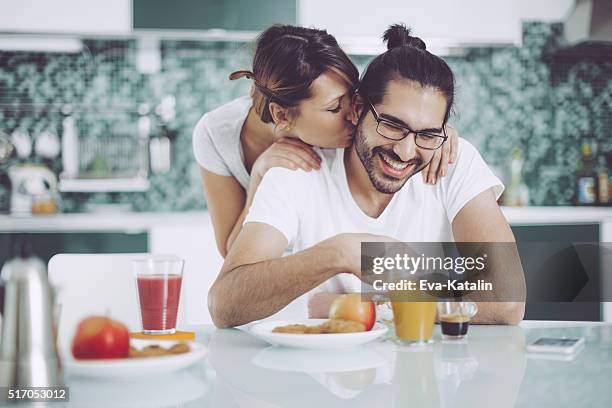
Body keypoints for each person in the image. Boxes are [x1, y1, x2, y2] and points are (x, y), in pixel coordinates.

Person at [208, 24, 526, 328]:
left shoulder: (453, 161)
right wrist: (342, 252)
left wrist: (361, 307)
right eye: (392, 125)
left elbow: (507, 300)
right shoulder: (298, 170)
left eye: (427, 133)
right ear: (357, 108)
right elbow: (224, 304)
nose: (405, 151)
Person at [193, 24, 459, 258]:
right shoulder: (217, 135)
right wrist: (259, 177)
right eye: (334, 108)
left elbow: (397, 115)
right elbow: (232, 254)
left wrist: (431, 133)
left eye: (353, 99)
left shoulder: (346, 125)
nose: (355, 115)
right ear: (282, 115)